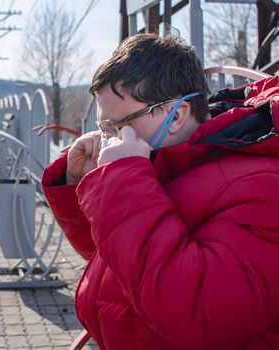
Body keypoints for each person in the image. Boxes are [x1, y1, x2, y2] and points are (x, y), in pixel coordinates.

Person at [42, 33, 279, 349]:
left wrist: (120, 182)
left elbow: (195, 312)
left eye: (118, 126)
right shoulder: (167, 161)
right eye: (103, 128)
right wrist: (79, 181)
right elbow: (120, 261)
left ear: (177, 114)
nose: (109, 140)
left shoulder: (263, 187)